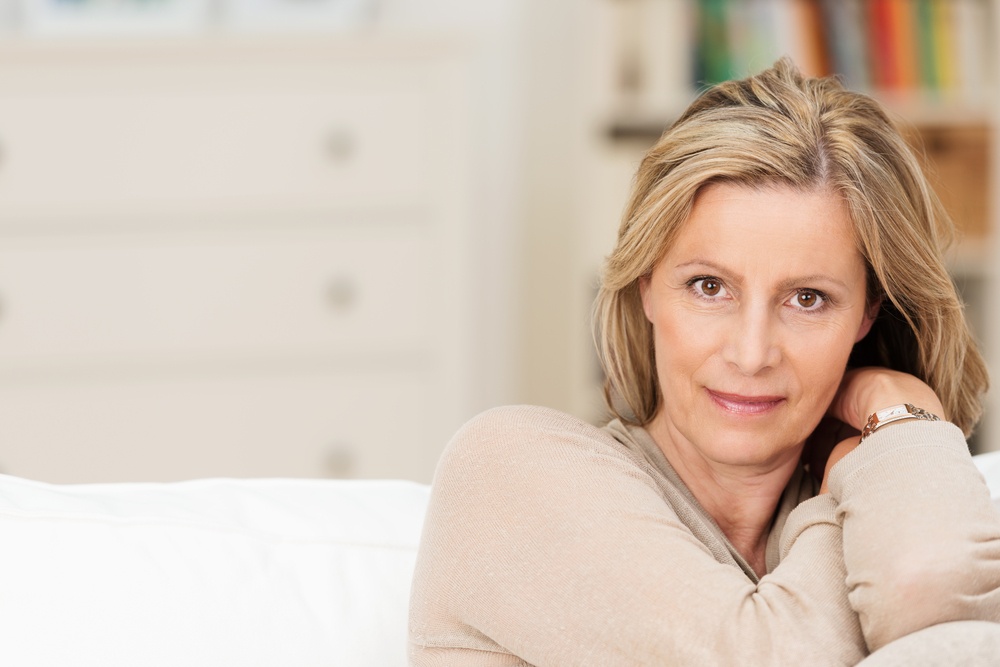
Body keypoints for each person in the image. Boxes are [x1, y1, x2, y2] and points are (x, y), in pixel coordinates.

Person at [408, 59, 1000, 665]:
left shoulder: (877, 491)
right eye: (709, 287)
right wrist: (844, 479)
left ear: (868, 314)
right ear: (645, 284)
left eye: (808, 299)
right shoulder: (507, 471)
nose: (750, 353)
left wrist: (897, 416)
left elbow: (936, 596)